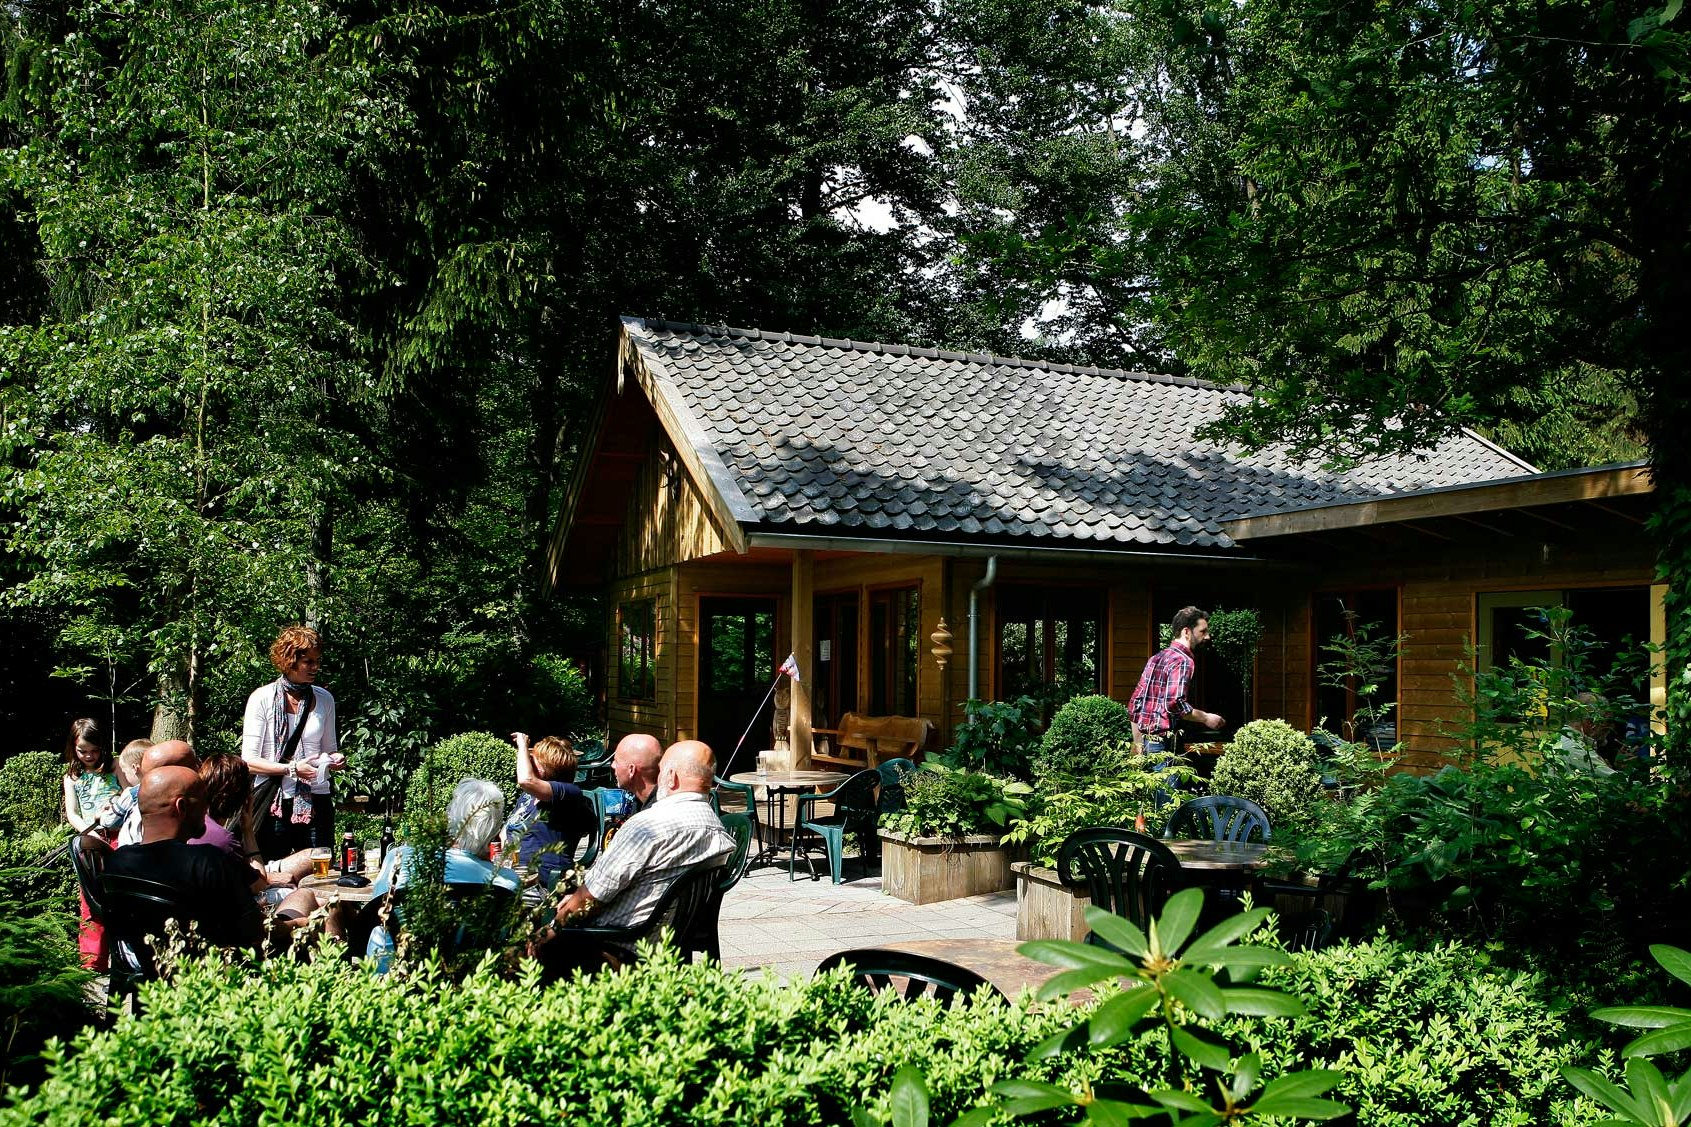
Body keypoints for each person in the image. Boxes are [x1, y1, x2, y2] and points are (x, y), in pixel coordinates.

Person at [531, 740, 734, 976]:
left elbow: (590, 898)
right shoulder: (717, 829)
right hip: (664, 945)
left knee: (519, 952)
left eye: (661, 772)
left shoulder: (649, 826)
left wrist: (545, 933)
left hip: (615, 949)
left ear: (670, 776)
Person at [102, 766, 265, 950]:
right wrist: (296, 925)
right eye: (204, 801)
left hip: (145, 972)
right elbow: (255, 932)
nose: (207, 809)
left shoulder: (116, 863)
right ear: (182, 806)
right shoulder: (208, 862)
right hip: (210, 972)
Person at [361, 779, 520, 967]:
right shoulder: (506, 882)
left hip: (397, 976)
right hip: (473, 981)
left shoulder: (398, 859)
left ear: (450, 818)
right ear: (495, 831)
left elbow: (374, 914)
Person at [242, 625, 343, 860]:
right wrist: (292, 769)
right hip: (273, 801)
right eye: (308, 661)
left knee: (320, 868)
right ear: (289, 660)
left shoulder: (324, 699)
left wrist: (335, 759)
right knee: (272, 868)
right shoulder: (262, 698)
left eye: (317, 661)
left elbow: (330, 749)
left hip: (317, 798)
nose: (315, 667)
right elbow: (248, 761)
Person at [1128, 606, 1226, 760]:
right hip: (1165, 745)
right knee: (1169, 785)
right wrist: (1206, 718)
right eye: (1202, 631)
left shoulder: (1156, 658)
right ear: (1186, 632)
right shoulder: (1183, 661)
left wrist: (1138, 744)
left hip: (1148, 743)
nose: (1207, 637)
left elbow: (1135, 704)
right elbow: (1174, 703)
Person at [507, 733, 594, 888]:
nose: (530, 762)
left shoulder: (568, 793)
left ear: (545, 768)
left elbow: (526, 780)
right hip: (514, 873)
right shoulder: (529, 796)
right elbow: (510, 825)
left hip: (544, 883)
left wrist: (522, 746)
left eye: (534, 759)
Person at [99, 739, 199, 847]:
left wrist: (101, 816)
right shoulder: (173, 791)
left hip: (133, 850)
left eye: (125, 772)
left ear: (134, 768)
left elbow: (109, 821)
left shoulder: (132, 793)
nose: (125, 777)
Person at [62, 719, 121, 834]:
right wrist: (90, 834)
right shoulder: (71, 778)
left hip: (122, 831)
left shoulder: (115, 765)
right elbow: (72, 814)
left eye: (95, 750)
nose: (89, 756)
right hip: (93, 834)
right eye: (82, 751)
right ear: (73, 748)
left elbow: (129, 793)